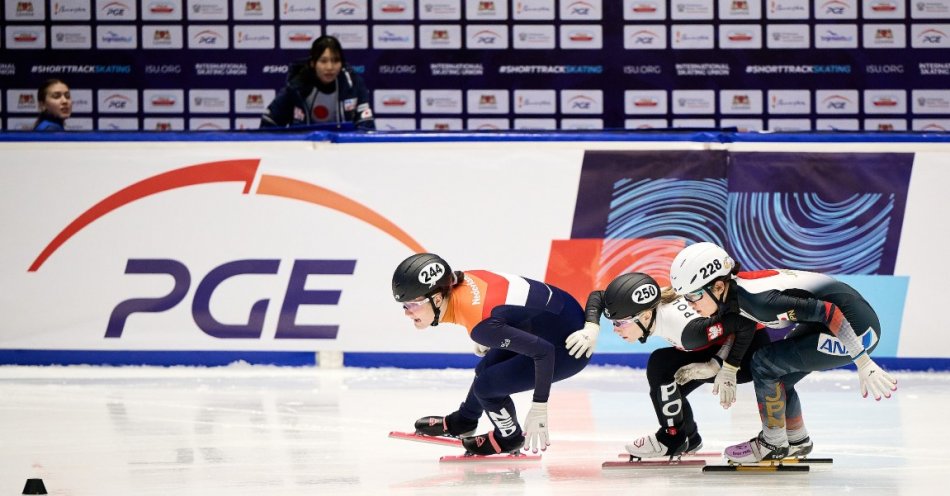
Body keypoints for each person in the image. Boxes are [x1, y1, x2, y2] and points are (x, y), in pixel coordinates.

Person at [669, 242, 898, 463]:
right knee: (779, 374)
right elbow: (743, 326)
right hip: (833, 321)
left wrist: (863, 361)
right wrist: (726, 367)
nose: (690, 303)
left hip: (855, 330)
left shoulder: (759, 301)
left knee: (764, 363)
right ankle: (796, 440)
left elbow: (829, 312)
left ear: (718, 287)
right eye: (686, 297)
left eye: (694, 295)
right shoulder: (734, 296)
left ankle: (773, 445)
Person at [392, 253, 591, 455]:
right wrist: (495, 329)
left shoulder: (481, 324)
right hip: (551, 321)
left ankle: (509, 438)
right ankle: (464, 421)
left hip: (569, 347)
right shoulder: (462, 280)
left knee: (487, 386)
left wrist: (539, 406)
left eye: (412, 304)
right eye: (404, 305)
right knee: (484, 369)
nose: (407, 312)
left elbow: (544, 352)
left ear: (436, 298)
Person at [564, 272, 770, 459]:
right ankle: (686, 437)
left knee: (661, 367)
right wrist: (592, 327)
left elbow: (743, 325)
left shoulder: (687, 332)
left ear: (645, 317)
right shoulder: (652, 301)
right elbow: (599, 297)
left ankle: (673, 439)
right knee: (667, 379)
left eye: (620, 323)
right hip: (716, 341)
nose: (616, 329)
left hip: (747, 351)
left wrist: (720, 366)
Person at [260, 35, 374, 130]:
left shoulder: (353, 84)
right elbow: (269, 122)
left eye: (336, 61)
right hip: (304, 151)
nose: (330, 67)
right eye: (323, 61)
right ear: (313, 63)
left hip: (343, 151)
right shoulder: (296, 88)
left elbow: (366, 126)